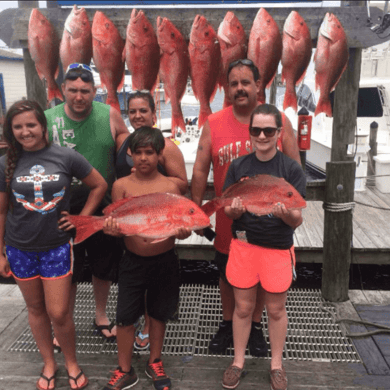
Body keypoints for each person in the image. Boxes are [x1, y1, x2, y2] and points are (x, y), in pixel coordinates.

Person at [191, 58, 301, 356]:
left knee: (264, 273)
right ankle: (229, 323)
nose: (240, 88)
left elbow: (294, 167)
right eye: (234, 83)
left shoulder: (278, 121)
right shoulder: (213, 123)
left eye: (245, 83)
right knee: (228, 272)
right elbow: (200, 170)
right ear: (227, 88)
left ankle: (254, 325)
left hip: (270, 215)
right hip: (231, 213)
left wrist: (292, 210)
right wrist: (197, 211)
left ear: (258, 86)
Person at [0, 100, 108, 390]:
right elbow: (0, 211)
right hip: (19, 247)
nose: (25, 131)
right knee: (35, 310)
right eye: (18, 126)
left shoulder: (65, 156)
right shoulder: (4, 163)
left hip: (57, 246)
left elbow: (99, 185)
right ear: (11, 130)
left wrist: (80, 219)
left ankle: (71, 362)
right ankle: (49, 363)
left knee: (59, 312)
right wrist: (0, 252)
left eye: (31, 125)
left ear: (43, 126)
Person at [221, 104, 305, 390]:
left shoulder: (291, 168)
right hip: (244, 247)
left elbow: (297, 219)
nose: (262, 135)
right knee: (243, 308)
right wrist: (232, 210)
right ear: (250, 132)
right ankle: (237, 362)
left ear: (279, 133)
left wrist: (285, 213)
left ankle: (277, 365)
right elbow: (228, 212)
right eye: (256, 130)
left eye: (269, 130)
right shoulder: (238, 167)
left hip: (278, 249)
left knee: (276, 310)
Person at [44, 63, 130, 342]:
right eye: (73, 90)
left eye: (85, 91)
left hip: (102, 204)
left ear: (95, 91)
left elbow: (132, 150)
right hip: (60, 206)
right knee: (66, 268)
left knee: (103, 264)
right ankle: (62, 322)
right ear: (63, 90)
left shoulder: (111, 115)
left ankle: (101, 314)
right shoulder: (47, 118)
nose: (79, 96)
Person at [101, 126, 190, 390]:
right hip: (132, 261)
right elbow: (116, 223)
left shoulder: (172, 186)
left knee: (159, 313)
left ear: (160, 154)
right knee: (125, 317)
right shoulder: (121, 186)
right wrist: (111, 229)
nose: (143, 158)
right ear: (129, 154)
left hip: (165, 261)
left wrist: (184, 233)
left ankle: (155, 361)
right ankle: (125, 369)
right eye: (137, 152)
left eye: (149, 152)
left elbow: (178, 227)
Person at [115, 90, 188, 351]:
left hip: (157, 222)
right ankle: (132, 330)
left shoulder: (166, 146)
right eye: (132, 111)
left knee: (157, 298)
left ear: (154, 113)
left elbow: (181, 183)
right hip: (133, 228)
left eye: (143, 110)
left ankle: (149, 328)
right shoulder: (124, 141)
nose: (137, 116)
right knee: (131, 291)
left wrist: (152, 191)